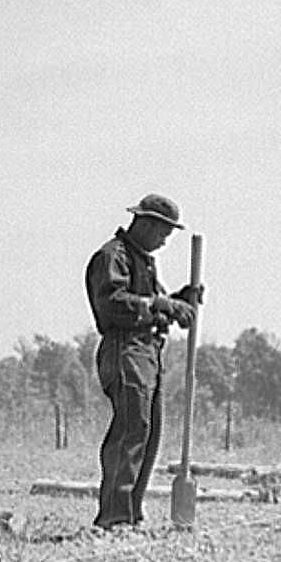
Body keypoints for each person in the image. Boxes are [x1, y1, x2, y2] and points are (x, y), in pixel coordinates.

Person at [85, 193, 200, 530]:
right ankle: (114, 518)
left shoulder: (143, 260)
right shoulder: (111, 257)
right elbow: (113, 303)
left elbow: (154, 301)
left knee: (148, 433)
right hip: (125, 351)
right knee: (130, 430)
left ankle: (131, 513)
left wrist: (180, 300)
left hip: (148, 352)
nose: (165, 242)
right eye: (163, 233)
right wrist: (161, 305)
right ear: (146, 224)